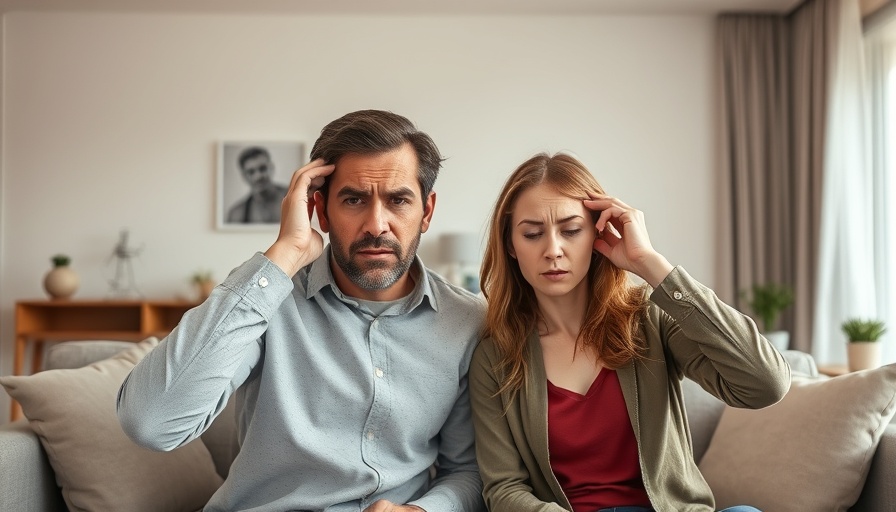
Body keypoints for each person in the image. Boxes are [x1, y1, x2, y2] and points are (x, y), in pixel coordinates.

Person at [118, 110, 487, 512]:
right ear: (321, 211)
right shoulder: (265, 299)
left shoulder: (468, 321)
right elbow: (151, 423)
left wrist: (423, 511)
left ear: (427, 212)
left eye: (398, 200)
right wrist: (285, 253)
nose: (376, 224)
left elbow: (465, 471)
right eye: (353, 199)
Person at [469, 152, 791, 512]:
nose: (553, 250)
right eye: (532, 234)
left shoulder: (649, 318)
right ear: (511, 245)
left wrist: (651, 265)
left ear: (597, 232)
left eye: (572, 230)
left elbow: (766, 384)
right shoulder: (495, 357)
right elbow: (504, 489)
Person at [226, 146, 290, 224]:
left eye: (262, 168)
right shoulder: (237, 215)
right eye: (251, 172)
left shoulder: (295, 197)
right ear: (244, 176)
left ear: (271, 168)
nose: (258, 177)